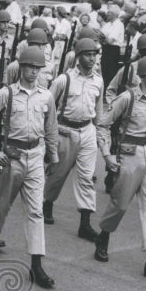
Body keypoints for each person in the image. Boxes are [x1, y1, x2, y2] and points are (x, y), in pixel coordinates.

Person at [0, 46, 59, 289]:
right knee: (2, 205)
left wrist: (53, 157)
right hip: (12, 154)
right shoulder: (6, 94)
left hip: (36, 153)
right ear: (21, 68)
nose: (34, 72)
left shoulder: (46, 96)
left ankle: (36, 264)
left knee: (36, 211)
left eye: (37, 68)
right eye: (29, 67)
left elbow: (51, 127)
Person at [92, 55, 146, 282]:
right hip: (130, 155)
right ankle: (103, 237)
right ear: (142, 77)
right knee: (120, 204)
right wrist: (107, 154)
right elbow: (103, 124)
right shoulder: (127, 98)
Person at [42, 36, 104, 240]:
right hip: (66, 131)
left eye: (94, 54)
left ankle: (85, 223)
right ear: (78, 57)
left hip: (87, 130)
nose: (92, 58)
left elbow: (99, 110)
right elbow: (47, 108)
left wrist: (99, 135)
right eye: (88, 54)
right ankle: (47, 202)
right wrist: (53, 132)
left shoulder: (98, 81)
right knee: (58, 173)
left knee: (86, 177)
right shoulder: (64, 79)